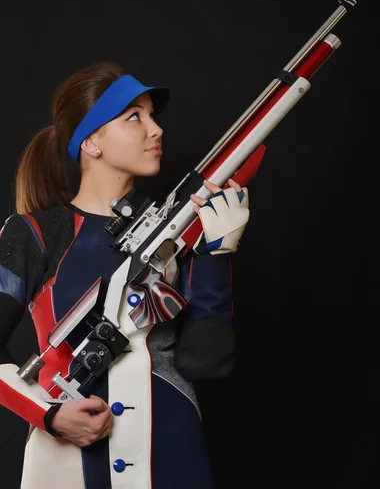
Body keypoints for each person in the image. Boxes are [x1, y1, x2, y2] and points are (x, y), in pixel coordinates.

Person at [0, 61, 250, 489]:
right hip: (64, 464)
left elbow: (204, 362)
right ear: (92, 142)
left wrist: (216, 254)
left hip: (172, 454)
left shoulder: (175, 230)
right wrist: (49, 413)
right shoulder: (37, 233)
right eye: (135, 116)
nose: (156, 130)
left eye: (153, 116)